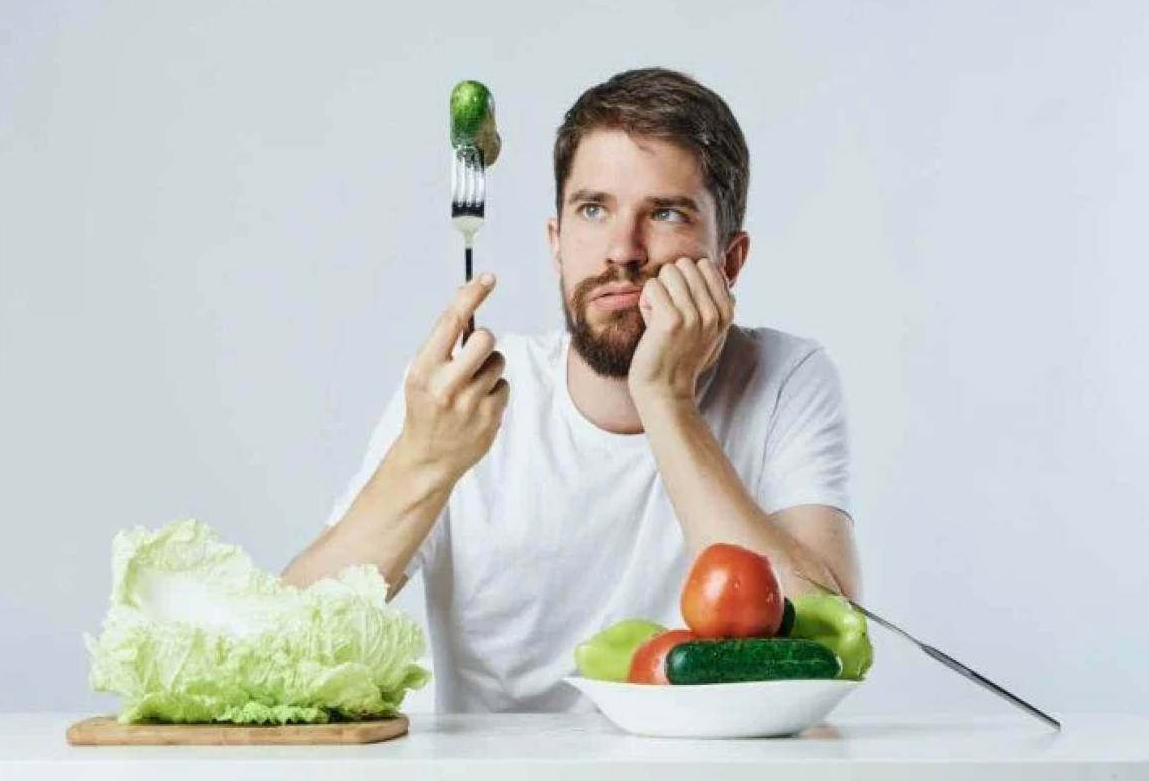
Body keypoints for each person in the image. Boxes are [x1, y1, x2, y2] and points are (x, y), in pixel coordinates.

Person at [283, 67, 862, 713]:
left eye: (665, 213)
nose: (622, 250)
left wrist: (667, 401)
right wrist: (424, 461)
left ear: (729, 261)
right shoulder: (464, 397)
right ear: (556, 244)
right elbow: (283, 638)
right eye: (593, 209)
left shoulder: (784, 378)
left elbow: (830, 643)